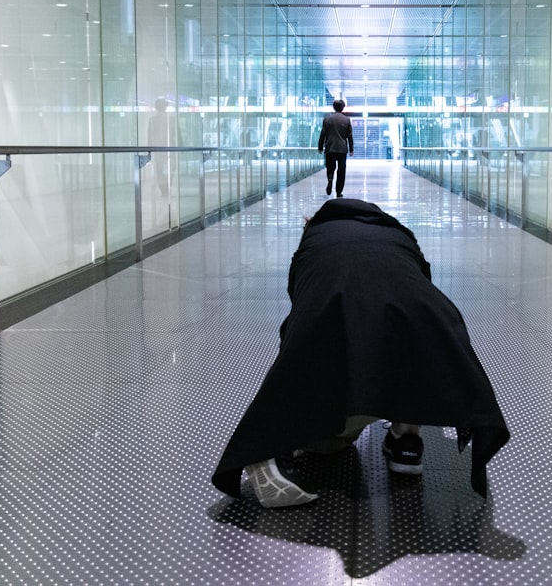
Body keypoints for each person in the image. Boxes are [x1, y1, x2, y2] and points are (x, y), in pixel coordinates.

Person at [211, 198, 510, 508]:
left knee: (328, 444)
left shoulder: (313, 241)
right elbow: (422, 287)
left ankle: (270, 453)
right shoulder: (400, 237)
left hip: (338, 360)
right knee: (409, 336)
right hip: (428, 345)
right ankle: (407, 440)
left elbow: (300, 316)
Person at [317, 99, 353, 197]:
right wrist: (351, 149)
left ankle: (330, 179)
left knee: (330, 167)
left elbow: (323, 134)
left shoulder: (327, 119)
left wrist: (320, 146)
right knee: (341, 170)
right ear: (342, 108)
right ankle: (338, 191)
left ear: (334, 107)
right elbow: (349, 136)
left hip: (330, 147)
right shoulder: (346, 120)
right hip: (342, 149)